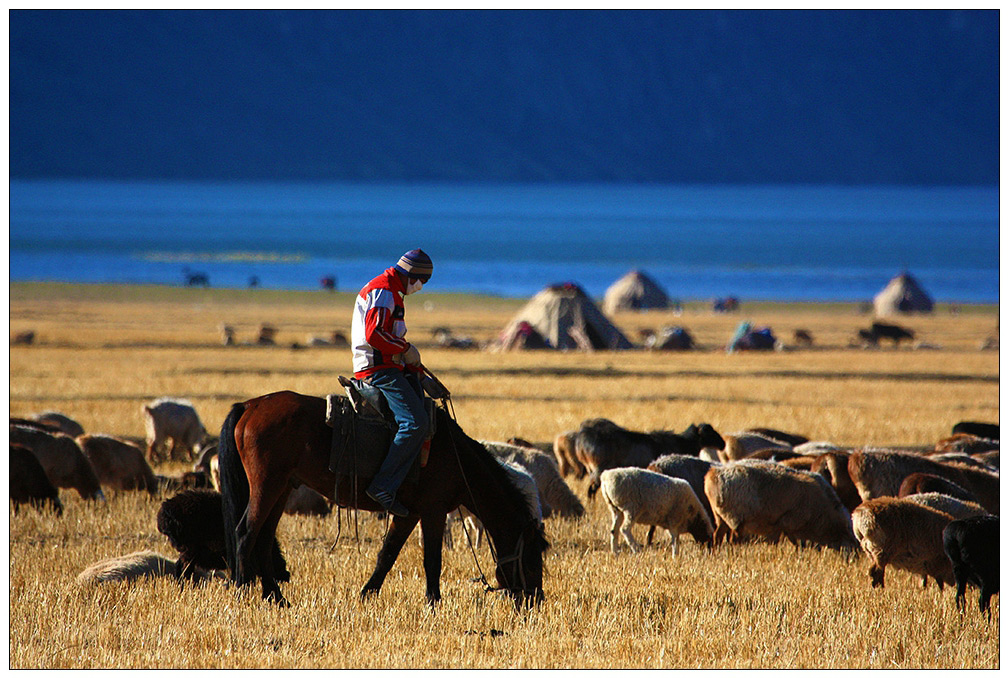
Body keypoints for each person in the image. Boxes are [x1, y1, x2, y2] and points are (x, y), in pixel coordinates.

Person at [350, 248, 433, 517]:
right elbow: (375, 335)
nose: (421, 288)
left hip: (389, 365)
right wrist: (406, 348)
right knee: (416, 421)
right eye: (422, 281)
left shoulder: (392, 291)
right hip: (378, 370)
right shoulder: (385, 291)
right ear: (412, 275)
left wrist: (412, 365)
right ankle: (383, 486)